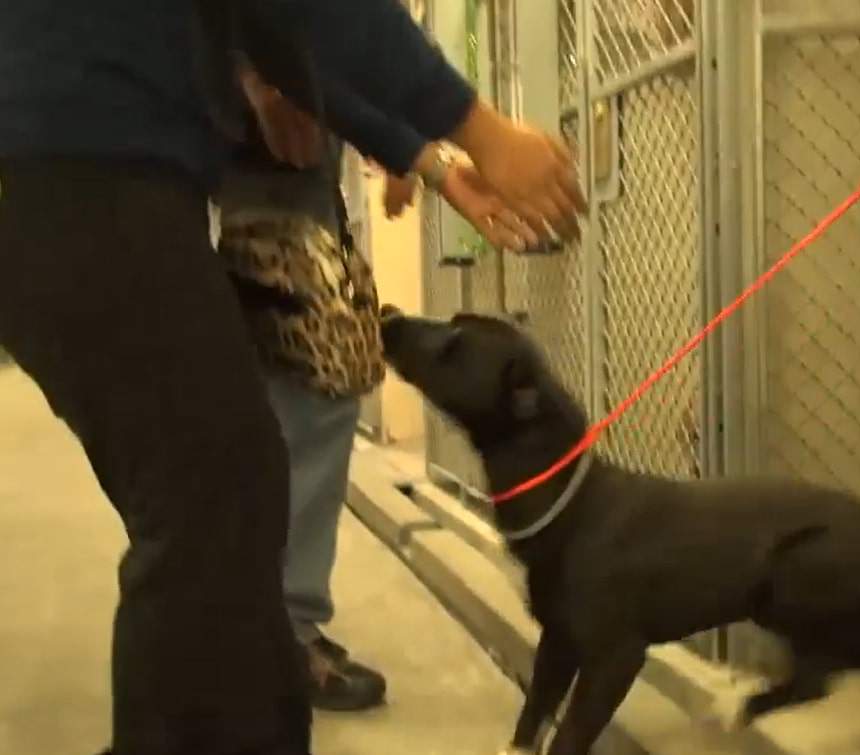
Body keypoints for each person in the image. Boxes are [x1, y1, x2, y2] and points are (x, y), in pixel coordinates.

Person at [0, 1, 583, 753]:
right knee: (211, 504)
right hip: (77, 170)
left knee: (227, 500)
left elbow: (272, 32)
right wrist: (480, 127)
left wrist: (433, 162)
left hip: (93, 170)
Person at [218, 66, 534, 712]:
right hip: (261, 184)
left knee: (289, 408)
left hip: (269, 178)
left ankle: (263, 632)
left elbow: (334, 57)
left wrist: (415, 156)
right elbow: (341, 45)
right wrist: (444, 152)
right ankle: (280, 637)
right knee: (314, 397)